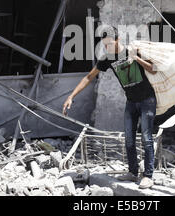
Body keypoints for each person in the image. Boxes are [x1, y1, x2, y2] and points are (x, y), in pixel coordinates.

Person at [62, 26, 157, 189]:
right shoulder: (107, 58)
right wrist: (71, 96)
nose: (107, 47)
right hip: (131, 102)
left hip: (147, 100)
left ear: (118, 39)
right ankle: (133, 172)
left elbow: (153, 69)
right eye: (105, 45)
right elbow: (89, 76)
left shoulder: (132, 51)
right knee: (129, 140)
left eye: (109, 44)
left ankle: (148, 176)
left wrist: (136, 59)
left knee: (147, 139)